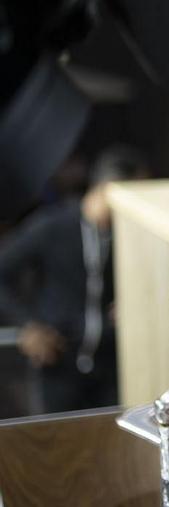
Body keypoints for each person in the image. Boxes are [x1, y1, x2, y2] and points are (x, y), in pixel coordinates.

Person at [0, 146, 146, 413]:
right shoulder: (53, 225)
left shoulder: (129, 236)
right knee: (58, 446)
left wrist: (134, 300)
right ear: (110, 187)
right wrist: (26, 324)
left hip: (110, 365)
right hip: (57, 359)